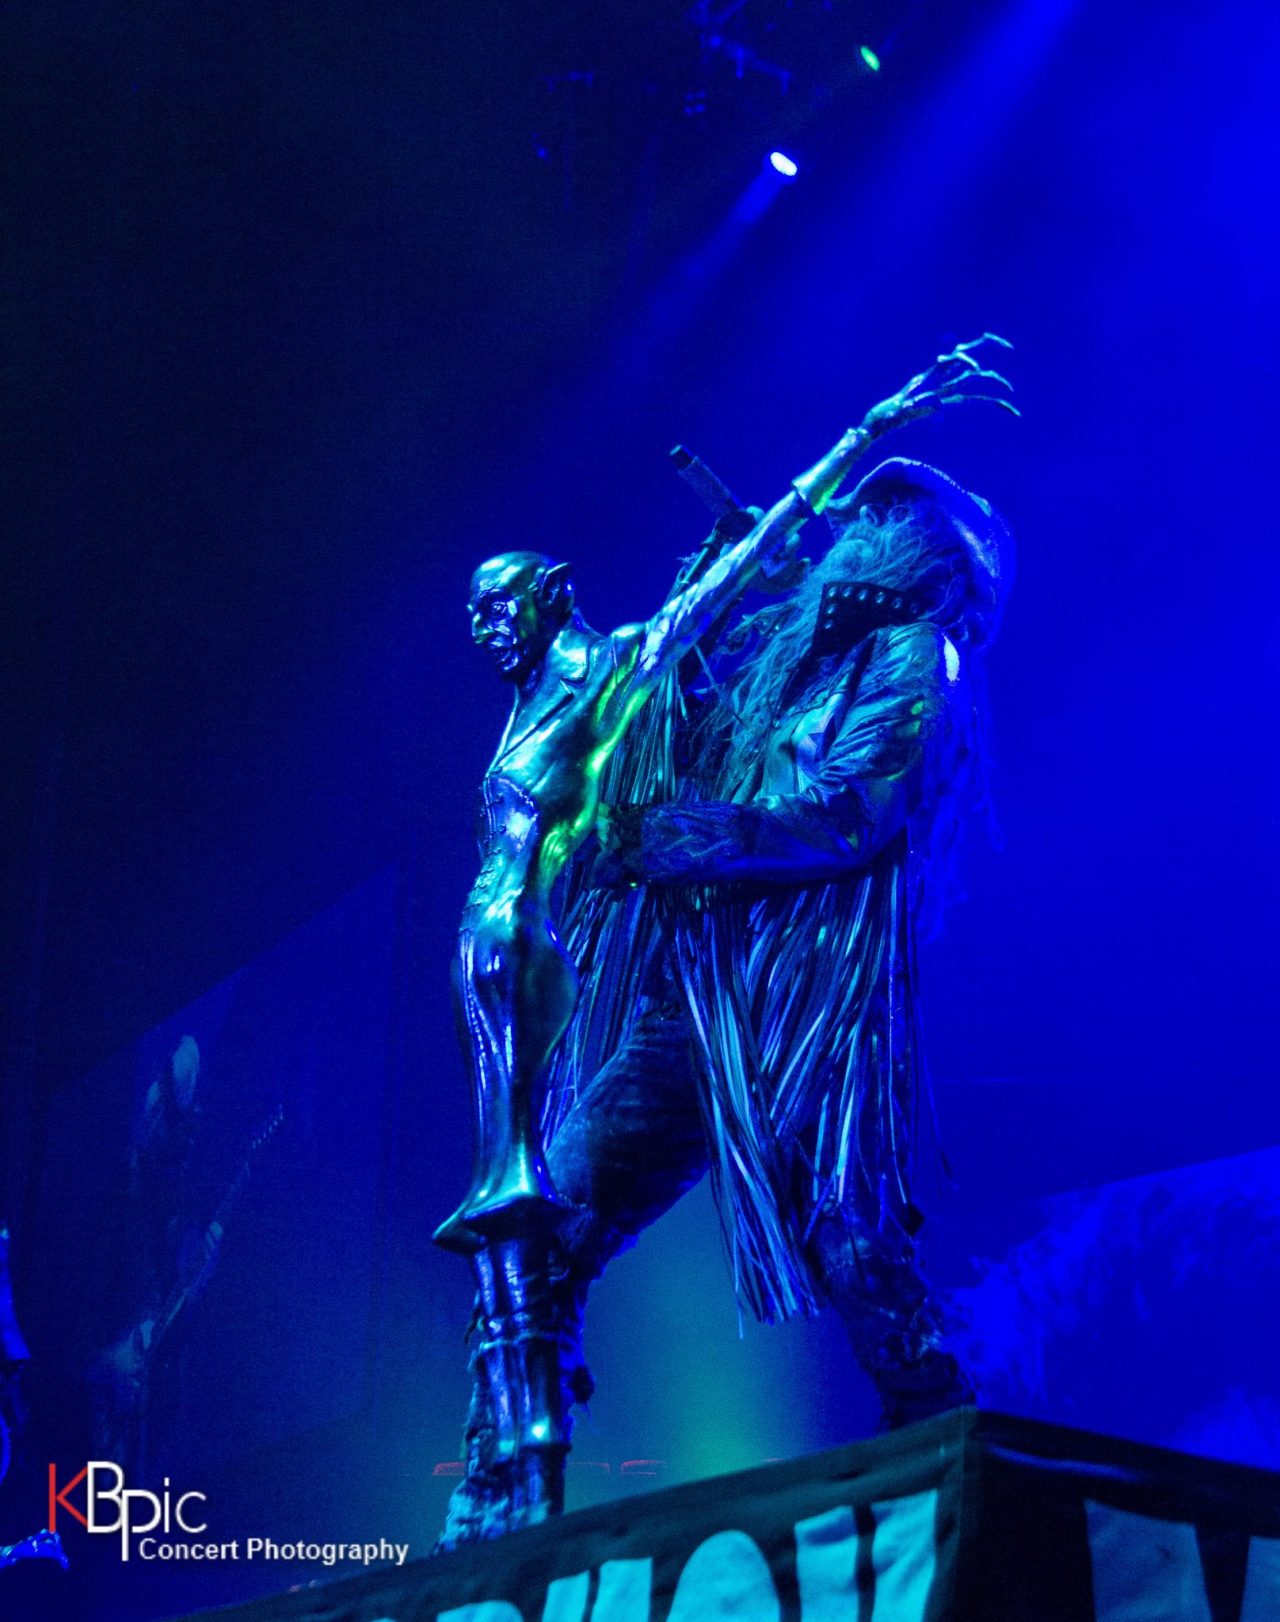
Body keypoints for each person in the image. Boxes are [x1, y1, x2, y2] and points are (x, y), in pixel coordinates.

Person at [436, 338, 1016, 1545]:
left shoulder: (915, 653)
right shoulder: (788, 657)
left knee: (849, 1243)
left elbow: (851, 812)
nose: (854, 527)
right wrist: (705, 599)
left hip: (801, 1015)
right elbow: (681, 736)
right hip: (695, 1007)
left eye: (883, 515)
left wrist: (687, 835)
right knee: (547, 1223)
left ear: (928, 552)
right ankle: (497, 1499)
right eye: (863, 509)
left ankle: (951, 1471)